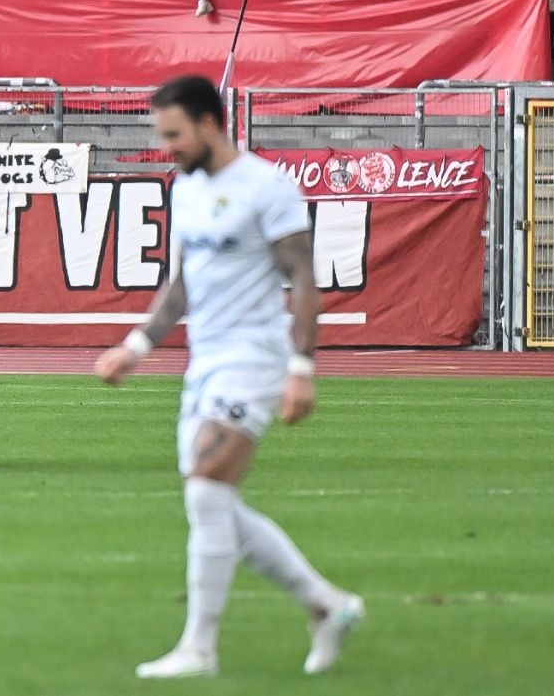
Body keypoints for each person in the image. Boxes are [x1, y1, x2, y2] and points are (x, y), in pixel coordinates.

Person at [95, 75, 362, 680]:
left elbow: (304, 281)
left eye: (174, 134)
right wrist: (135, 346)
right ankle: (327, 604)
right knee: (213, 502)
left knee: (206, 490)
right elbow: (182, 285)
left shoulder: (268, 188)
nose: (167, 148)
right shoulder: (185, 190)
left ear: (210, 123)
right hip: (204, 361)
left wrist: (302, 370)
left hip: (255, 358)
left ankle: (199, 647)